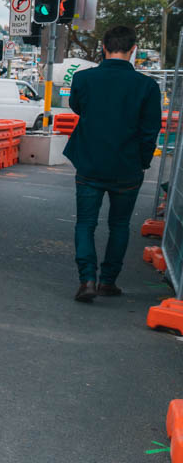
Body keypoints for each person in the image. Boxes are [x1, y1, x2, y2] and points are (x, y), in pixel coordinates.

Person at [64, 25, 161, 302]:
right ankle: (109, 281)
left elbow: (78, 108)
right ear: (133, 50)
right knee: (119, 225)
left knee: (85, 223)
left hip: (90, 163)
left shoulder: (83, 80)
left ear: (103, 48)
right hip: (127, 167)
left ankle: (87, 280)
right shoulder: (147, 86)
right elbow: (149, 131)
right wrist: (142, 162)